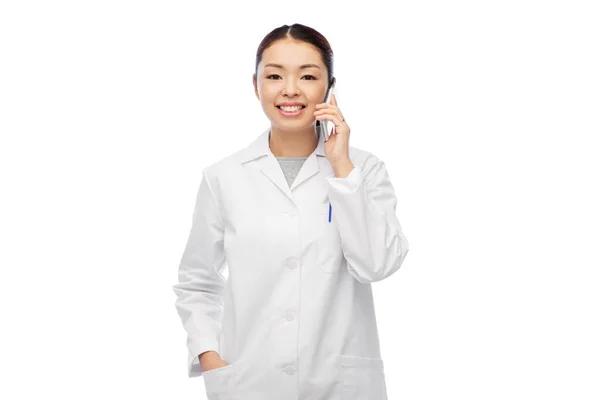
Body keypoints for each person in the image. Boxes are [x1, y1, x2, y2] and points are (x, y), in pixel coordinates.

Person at [172, 23, 410, 400]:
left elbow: (377, 264)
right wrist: (210, 357)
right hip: (250, 381)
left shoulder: (364, 169)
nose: (290, 90)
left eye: (308, 76)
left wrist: (343, 170)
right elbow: (197, 281)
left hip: (340, 384)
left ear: (330, 87)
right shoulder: (224, 177)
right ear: (256, 86)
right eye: (275, 75)